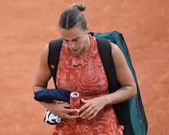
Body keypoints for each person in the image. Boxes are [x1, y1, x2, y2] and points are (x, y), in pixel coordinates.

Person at [33, 3, 137, 135]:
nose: (72, 46)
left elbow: (130, 88)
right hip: (67, 129)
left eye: (76, 39)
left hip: (104, 129)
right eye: (66, 40)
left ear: (87, 29)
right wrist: (51, 107)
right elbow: (38, 86)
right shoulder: (52, 51)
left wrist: (102, 100)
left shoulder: (109, 51)